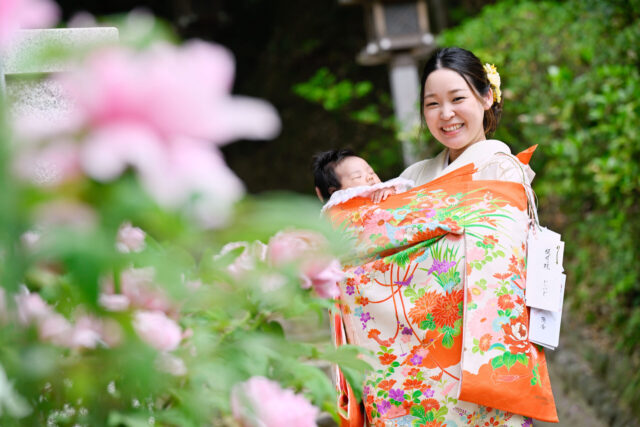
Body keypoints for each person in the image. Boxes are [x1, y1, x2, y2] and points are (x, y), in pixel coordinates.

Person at [329, 47, 548, 427]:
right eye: (433, 104)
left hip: (475, 362)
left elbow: (494, 267)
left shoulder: (501, 170)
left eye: (458, 98)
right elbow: (369, 253)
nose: (446, 114)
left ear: (486, 97)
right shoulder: (413, 176)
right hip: (418, 373)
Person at [312, 149, 414, 210]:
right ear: (334, 192)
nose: (370, 177)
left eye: (371, 172)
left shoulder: (385, 192)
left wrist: (391, 192)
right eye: (357, 176)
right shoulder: (337, 205)